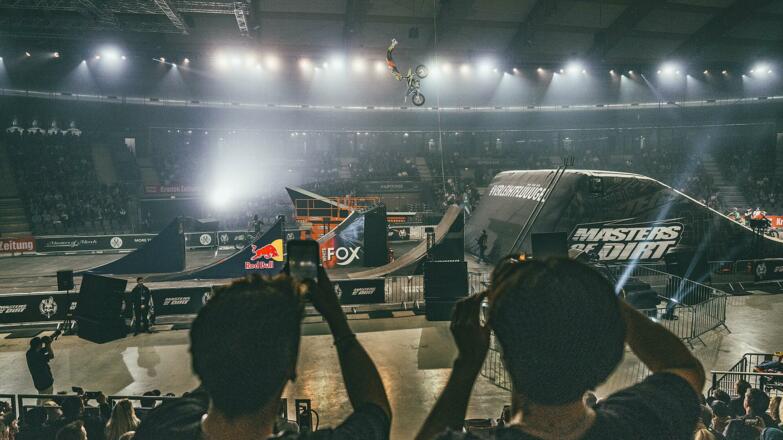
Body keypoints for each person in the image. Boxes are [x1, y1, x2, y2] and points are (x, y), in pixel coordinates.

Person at [415, 257, 705, 440]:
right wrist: (597, 299)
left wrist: (466, 365)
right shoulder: (644, 422)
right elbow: (683, 368)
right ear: (607, 357)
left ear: (505, 354)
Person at [133, 270, 391, 440]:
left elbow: (222, 357)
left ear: (200, 361)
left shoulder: (162, 425)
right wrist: (338, 322)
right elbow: (376, 411)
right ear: (291, 369)